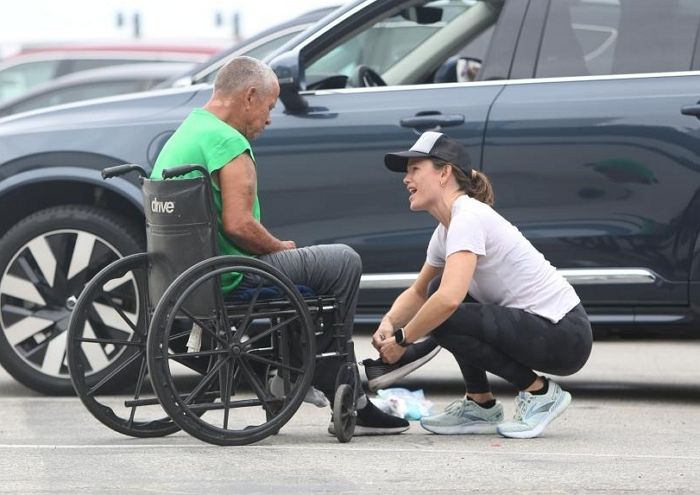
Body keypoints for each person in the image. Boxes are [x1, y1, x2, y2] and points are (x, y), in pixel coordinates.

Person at [150, 56, 408, 436]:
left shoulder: (189, 131)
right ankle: (336, 381)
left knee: (308, 271)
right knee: (343, 262)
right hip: (230, 277)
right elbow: (238, 225)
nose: (269, 119)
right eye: (269, 107)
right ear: (250, 96)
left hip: (186, 277)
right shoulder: (228, 142)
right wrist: (278, 245)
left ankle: (290, 368)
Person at [372, 131, 593, 439]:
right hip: (538, 329)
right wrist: (390, 321)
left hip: (564, 334)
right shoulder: (447, 228)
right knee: (437, 296)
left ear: (444, 172)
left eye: (414, 169)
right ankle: (480, 404)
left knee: (446, 310)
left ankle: (540, 393)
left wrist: (403, 339)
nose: (406, 179)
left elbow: (449, 300)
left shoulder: (469, 216)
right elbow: (419, 292)